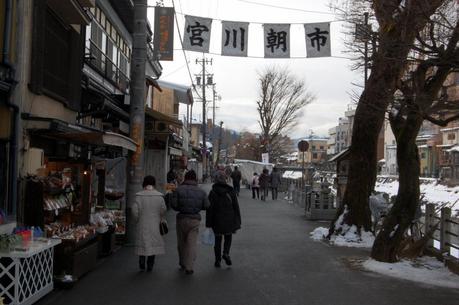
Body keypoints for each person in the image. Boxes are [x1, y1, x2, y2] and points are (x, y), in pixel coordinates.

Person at [170, 170, 210, 275]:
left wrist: (181, 207)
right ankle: (189, 266)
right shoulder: (201, 192)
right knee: (192, 244)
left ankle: (182, 262)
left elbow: (173, 205)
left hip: (181, 218)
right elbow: (206, 205)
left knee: (181, 243)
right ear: (195, 178)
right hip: (194, 220)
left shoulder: (178, 190)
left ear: (185, 178)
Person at [131, 176, 167, 272]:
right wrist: (160, 217)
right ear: (154, 183)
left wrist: (137, 220)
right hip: (155, 224)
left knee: (143, 242)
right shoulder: (159, 196)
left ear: (144, 183)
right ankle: (150, 264)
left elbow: (134, 211)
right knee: (153, 244)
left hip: (142, 224)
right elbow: (163, 209)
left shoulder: (139, 196)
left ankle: (142, 261)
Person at [206, 171, 241, 267]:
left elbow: (209, 209)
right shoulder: (231, 191)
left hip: (216, 220)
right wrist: (238, 221)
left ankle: (217, 260)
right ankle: (226, 253)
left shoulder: (213, 192)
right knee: (228, 237)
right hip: (229, 219)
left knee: (217, 240)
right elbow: (236, 207)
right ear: (225, 179)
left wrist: (208, 223)